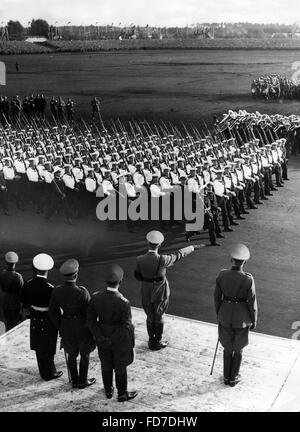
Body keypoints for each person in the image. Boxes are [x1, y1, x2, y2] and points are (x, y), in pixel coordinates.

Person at [134, 230, 203, 350]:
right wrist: (191, 247)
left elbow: (137, 275)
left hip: (146, 289)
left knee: (150, 316)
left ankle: (151, 341)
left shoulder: (140, 259)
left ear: (147, 243)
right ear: (160, 245)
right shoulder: (164, 259)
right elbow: (179, 255)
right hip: (160, 290)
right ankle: (158, 341)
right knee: (159, 315)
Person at [87, 264, 137, 402]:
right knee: (120, 366)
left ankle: (108, 390)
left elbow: (91, 320)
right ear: (120, 282)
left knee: (106, 364)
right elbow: (126, 326)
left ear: (106, 282)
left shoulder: (96, 298)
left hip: (102, 337)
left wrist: (100, 337)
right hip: (118, 340)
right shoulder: (123, 302)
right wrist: (112, 339)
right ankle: (122, 394)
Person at [214, 244, 258, 387]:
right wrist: (254, 319)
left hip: (225, 315)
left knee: (227, 347)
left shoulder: (222, 274)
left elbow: (217, 297)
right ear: (245, 262)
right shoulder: (248, 279)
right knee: (238, 348)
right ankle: (233, 378)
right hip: (242, 318)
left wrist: (219, 314)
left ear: (231, 259)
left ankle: (226, 377)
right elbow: (252, 302)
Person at [49, 259, 96, 389]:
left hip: (66, 326)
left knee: (71, 354)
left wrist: (60, 325)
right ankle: (83, 381)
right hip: (82, 327)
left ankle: (74, 381)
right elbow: (90, 313)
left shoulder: (57, 291)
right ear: (76, 275)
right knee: (84, 354)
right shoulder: (82, 292)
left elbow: (53, 312)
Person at [21, 253, 63, 381]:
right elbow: (55, 308)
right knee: (49, 346)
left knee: (39, 345)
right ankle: (50, 373)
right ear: (47, 271)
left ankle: (43, 371)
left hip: (35, 318)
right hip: (48, 319)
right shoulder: (50, 288)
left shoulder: (28, 284)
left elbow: (26, 303)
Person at [0, 252, 24, 331]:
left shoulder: (2, 274)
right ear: (16, 262)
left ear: (6, 262)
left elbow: (2, 288)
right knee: (15, 323)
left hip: (5, 301)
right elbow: (21, 292)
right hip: (15, 302)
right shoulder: (18, 276)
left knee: (8, 322)